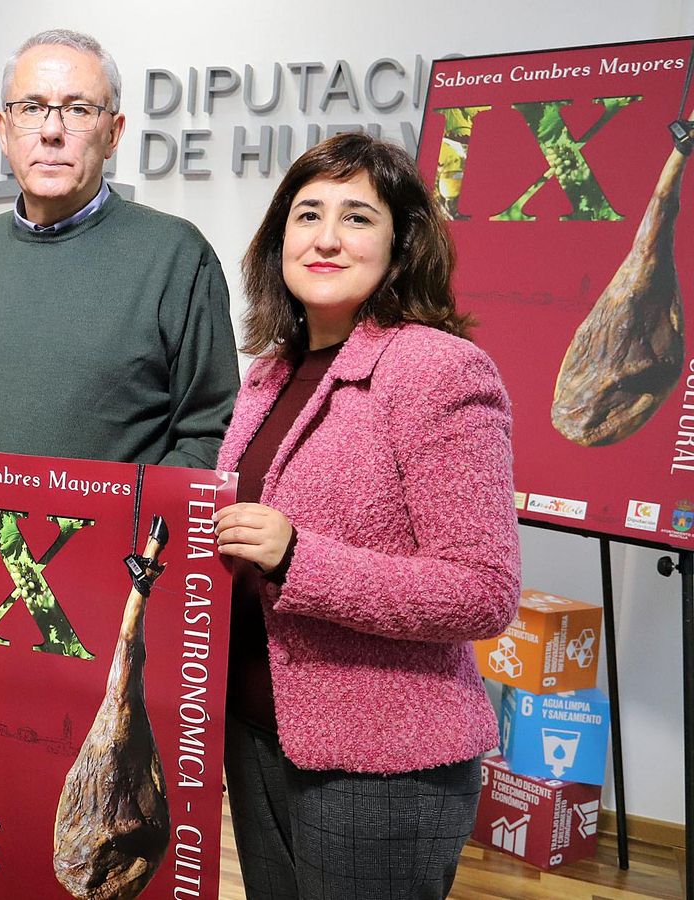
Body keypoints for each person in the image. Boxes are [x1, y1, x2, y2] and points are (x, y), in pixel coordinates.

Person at [212, 131, 520, 899]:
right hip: (254, 735)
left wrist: (297, 558)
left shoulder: (439, 370)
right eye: (307, 214)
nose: (324, 238)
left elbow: (483, 591)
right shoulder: (269, 373)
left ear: (400, 241)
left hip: (384, 763)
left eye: (356, 218)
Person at [0, 28, 237, 484]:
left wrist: (130, 533)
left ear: (113, 134)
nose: (51, 131)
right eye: (31, 108)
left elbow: (210, 434)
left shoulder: (176, 256)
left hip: (108, 555)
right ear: (4, 130)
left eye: (78, 110)